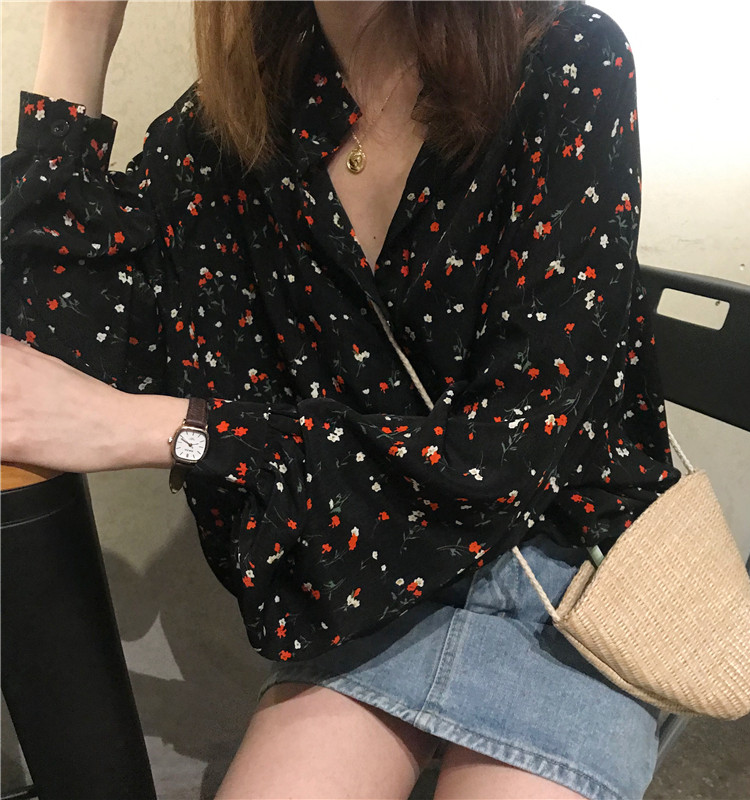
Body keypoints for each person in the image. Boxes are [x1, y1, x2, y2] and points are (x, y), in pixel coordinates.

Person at [1, 1, 682, 797]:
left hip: (563, 585)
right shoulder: (241, 118)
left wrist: (177, 430)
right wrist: (79, 30)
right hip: (377, 592)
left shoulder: (566, 58)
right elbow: (46, 357)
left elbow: (508, 453)